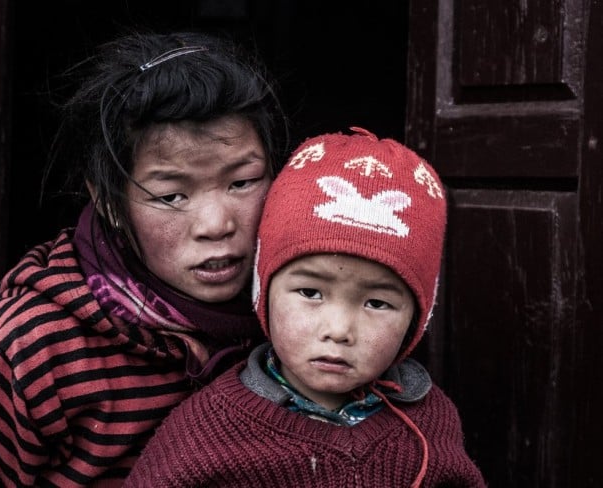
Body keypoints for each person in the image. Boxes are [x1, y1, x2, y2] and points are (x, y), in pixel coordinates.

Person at [0, 30, 288, 487]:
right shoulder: (30, 348)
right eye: (171, 195)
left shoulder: (298, 316)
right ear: (109, 201)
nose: (215, 223)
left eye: (243, 182)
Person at [124, 127, 487, 487]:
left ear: (416, 320)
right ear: (263, 293)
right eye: (311, 293)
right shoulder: (208, 430)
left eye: (377, 302)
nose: (339, 329)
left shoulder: (431, 424)